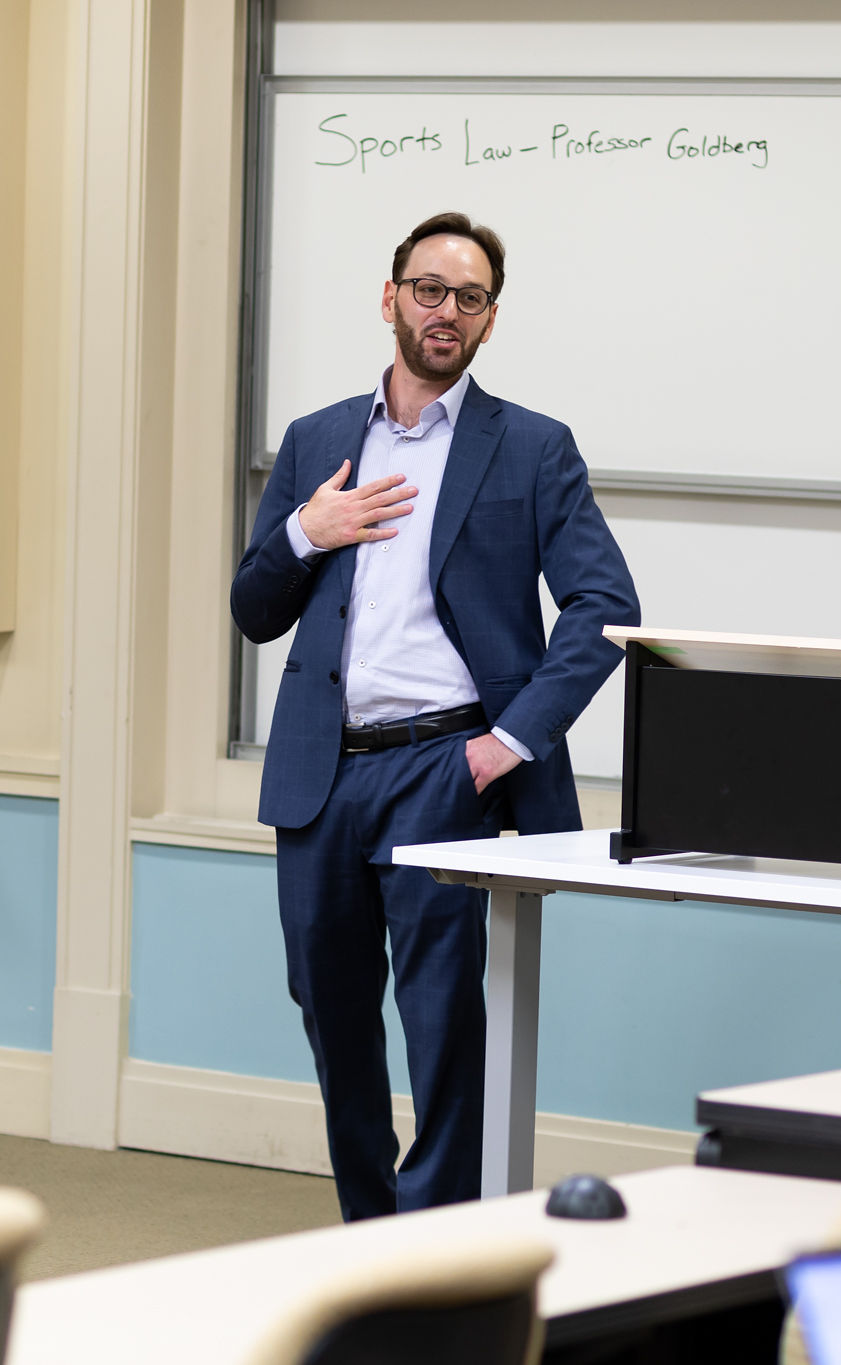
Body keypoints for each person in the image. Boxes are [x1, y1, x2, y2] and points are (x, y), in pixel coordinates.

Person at [230, 211, 639, 1221]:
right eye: (427, 289)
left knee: (445, 1024)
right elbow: (252, 609)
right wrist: (301, 529)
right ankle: (371, 1235)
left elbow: (603, 607)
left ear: (489, 321)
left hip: (446, 773)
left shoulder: (531, 449)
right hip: (323, 778)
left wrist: (507, 744)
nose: (443, 311)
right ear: (389, 299)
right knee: (328, 1014)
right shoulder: (317, 441)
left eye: (467, 297)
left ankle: (437, 1248)